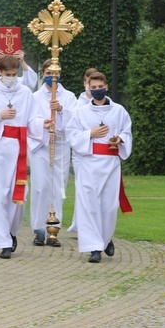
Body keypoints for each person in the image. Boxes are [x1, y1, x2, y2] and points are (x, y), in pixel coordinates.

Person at [0, 55, 44, 259]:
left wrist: (43, 125)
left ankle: (11, 232)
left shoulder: (25, 93)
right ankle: (2, 240)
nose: (12, 78)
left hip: (18, 148)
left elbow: (33, 119)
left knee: (18, 195)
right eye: (8, 74)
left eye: (14, 74)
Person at [66, 72, 132, 264]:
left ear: (106, 86)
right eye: (93, 88)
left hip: (110, 163)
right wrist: (90, 133)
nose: (97, 90)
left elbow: (126, 131)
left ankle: (105, 238)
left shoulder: (119, 111)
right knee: (88, 205)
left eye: (99, 87)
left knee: (108, 206)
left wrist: (120, 139)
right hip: (89, 162)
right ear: (89, 89)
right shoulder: (81, 112)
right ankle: (93, 248)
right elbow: (71, 135)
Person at [28, 60, 77, 247]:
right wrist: (43, 123)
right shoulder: (34, 97)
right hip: (41, 145)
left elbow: (77, 119)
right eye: (48, 73)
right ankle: (39, 229)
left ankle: (53, 230)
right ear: (43, 74)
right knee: (41, 186)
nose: (52, 77)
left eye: (55, 73)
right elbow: (29, 120)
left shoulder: (69, 96)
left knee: (58, 187)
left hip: (61, 145)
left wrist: (62, 110)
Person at [68, 66, 99, 232]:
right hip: (82, 152)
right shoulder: (78, 105)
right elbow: (72, 131)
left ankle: (91, 223)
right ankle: (81, 224)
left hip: (100, 154)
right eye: (89, 82)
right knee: (83, 189)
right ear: (85, 83)